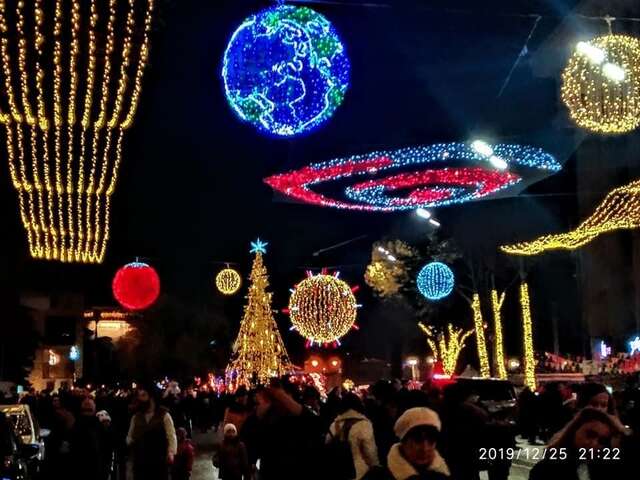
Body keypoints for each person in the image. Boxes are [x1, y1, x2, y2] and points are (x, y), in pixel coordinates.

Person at [529, 407, 626, 480]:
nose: (594, 443)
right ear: (575, 430)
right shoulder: (547, 469)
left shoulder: (605, 468)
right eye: (590, 435)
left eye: (602, 441)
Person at [364, 407, 450, 480]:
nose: (425, 448)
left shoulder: (442, 475)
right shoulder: (377, 477)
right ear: (403, 442)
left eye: (431, 441)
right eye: (418, 440)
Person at [127, 384, 178, 480]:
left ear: (152, 397)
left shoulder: (164, 415)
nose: (140, 399)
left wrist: (171, 452)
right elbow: (130, 436)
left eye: (143, 395)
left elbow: (171, 435)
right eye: (139, 396)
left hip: (159, 461)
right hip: (140, 462)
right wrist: (131, 442)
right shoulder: (136, 417)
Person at [326, 393, 380, 480]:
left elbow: (327, 442)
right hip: (360, 472)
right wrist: (375, 466)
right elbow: (370, 451)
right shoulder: (364, 424)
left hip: (337, 469)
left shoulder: (335, 424)